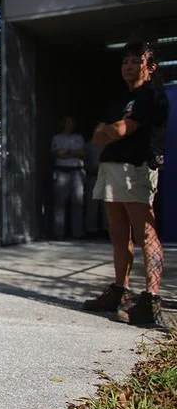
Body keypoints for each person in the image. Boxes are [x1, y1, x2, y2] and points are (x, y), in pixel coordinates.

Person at [82, 41, 169, 325]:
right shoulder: (119, 99)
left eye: (136, 61)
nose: (129, 66)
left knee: (145, 233)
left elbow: (121, 129)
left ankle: (151, 299)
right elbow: (98, 135)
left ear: (150, 67)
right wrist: (111, 130)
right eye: (125, 62)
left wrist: (113, 130)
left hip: (137, 169)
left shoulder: (152, 96)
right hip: (111, 169)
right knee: (119, 235)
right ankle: (121, 291)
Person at [50, 115, 86, 239]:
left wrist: (66, 152)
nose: (70, 125)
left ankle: (78, 233)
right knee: (59, 203)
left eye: (72, 122)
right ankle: (58, 233)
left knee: (78, 202)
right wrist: (74, 153)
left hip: (77, 172)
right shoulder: (57, 138)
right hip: (62, 171)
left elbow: (82, 153)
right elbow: (58, 154)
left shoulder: (79, 138)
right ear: (63, 124)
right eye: (68, 122)